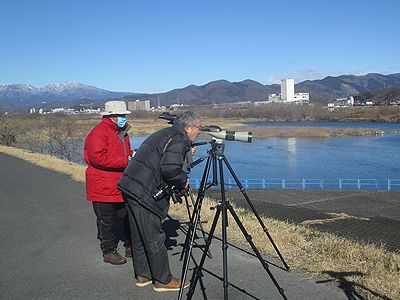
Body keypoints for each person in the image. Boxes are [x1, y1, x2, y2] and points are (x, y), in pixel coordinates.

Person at [118, 111, 201, 292]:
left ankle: (143, 275)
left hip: (130, 186)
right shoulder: (179, 139)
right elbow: (170, 169)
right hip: (144, 192)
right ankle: (163, 280)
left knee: (139, 234)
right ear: (188, 128)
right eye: (198, 129)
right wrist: (183, 179)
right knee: (155, 236)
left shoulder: (165, 133)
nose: (199, 133)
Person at [84, 100, 134, 265]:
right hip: (102, 185)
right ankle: (108, 251)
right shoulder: (99, 133)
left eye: (124, 115)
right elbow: (96, 158)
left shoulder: (121, 132)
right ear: (111, 116)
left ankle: (130, 245)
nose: (123, 118)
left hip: (119, 183)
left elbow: (125, 152)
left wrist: (133, 155)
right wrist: (124, 160)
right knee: (106, 220)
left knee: (127, 216)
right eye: (121, 115)